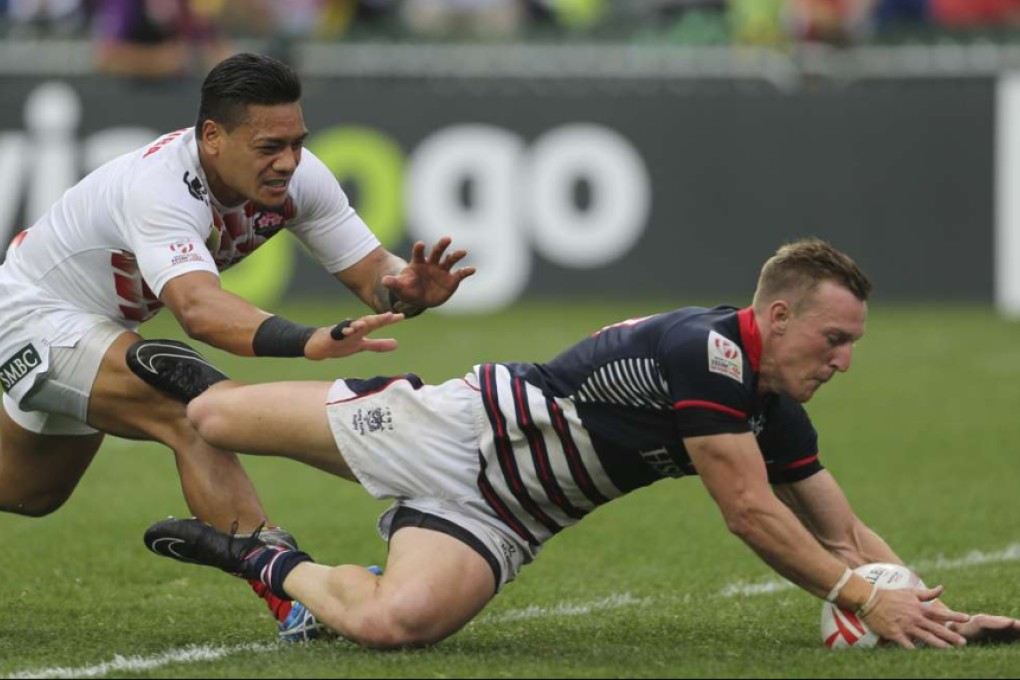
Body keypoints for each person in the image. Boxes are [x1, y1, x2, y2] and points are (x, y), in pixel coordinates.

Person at [132, 239, 1019, 650]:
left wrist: (927, 607)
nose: (845, 362)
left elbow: (839, 527)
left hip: (511, 518)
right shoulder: (705, 353)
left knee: (396, 626)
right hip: (450, 432)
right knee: (211, 422)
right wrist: (865, 594)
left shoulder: (774, 402)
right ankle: (200, 381)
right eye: (835, 341)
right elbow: (750, 513)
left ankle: (256, 556)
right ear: (776, 317)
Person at [0, 52, 474, 638]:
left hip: (96, 328)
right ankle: (292, 594)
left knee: (28, 494)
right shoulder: (161, 186)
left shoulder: (298, 176)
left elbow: (375, 275)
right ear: (213, 137)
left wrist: (409, 291)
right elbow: (200, 311)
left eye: (297, 142)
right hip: (31, 317)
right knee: (191, 407)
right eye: (269, 146)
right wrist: (310, 341)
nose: (288, 162)